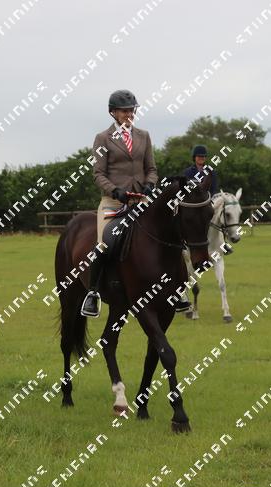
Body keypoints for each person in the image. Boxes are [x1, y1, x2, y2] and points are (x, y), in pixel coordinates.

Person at [81, 89, 191, 318]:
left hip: (143, 201)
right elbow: (98, 173)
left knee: (172, 236)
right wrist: (115, 190)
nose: (129, 114)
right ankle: (93, 293)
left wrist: (150, 184)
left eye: (131, 110)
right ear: (113, 112)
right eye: (124, 111)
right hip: (113, 202)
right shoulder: (103, 138)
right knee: (104, 243)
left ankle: (179, 289)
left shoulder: (144, 136)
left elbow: (151, 169)